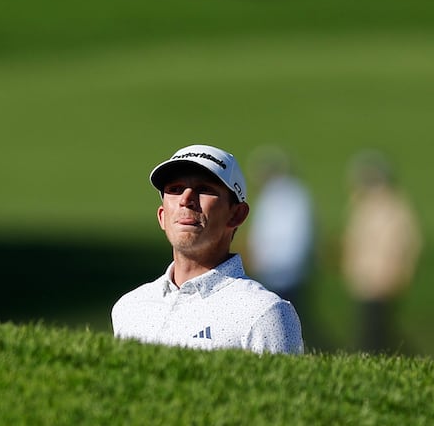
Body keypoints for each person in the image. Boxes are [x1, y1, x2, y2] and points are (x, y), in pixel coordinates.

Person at [111, 144, 304, 355]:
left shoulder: (265, 312)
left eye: (204, 189)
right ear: (162, 216)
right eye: (175, 189)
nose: (186, 200)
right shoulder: (130, 308)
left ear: (237, 215)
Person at [340, 150, 421, 354]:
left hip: (381, 281)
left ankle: (407, 357)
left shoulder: (393, 207)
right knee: (377, 331)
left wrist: (396, 274)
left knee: (375, 333)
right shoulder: (363, 206)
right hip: (366, 281)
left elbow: (402, 245)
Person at [245, 145, 316, 310]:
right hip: (272, 268)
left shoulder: (291, 195)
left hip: (285, 268)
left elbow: (296, 234)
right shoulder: (270, 195)